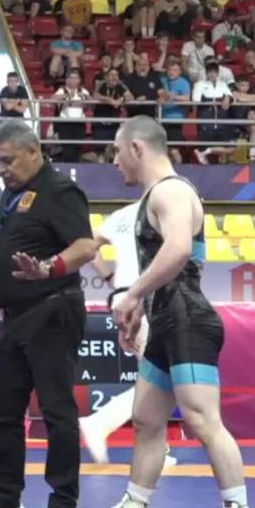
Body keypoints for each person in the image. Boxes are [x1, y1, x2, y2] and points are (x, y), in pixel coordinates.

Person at [77, 116, 255, 508]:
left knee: (203, 420)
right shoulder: (154, 196)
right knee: (146, 419)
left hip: (189, 322)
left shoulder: (171, 191)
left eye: (117, 151)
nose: (114, 161)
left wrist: (132, 295)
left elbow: (177, 250)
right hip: (166, 321)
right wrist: (141, 309)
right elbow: (166, 266)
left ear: (137, 148)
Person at [0, 120, 96, 508]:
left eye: (7, 161)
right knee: (4, 409)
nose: (2, 170)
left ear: (33, 151)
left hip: (51, 310)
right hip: (13, 317)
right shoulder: (12, 194)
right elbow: (16, 248)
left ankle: (63, 502)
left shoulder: (60, 190)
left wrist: (49, 268)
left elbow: (86, 247)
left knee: (56, 409)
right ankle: (5, 496)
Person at [79, 200, 176, 469]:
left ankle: (155, 448)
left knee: (157, 377)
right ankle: (100, 423)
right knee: (161, 379)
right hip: (144, 297)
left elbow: (88, 248)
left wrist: (110, 278)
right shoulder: (166, 207)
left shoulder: (121, 215)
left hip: (124, 296)